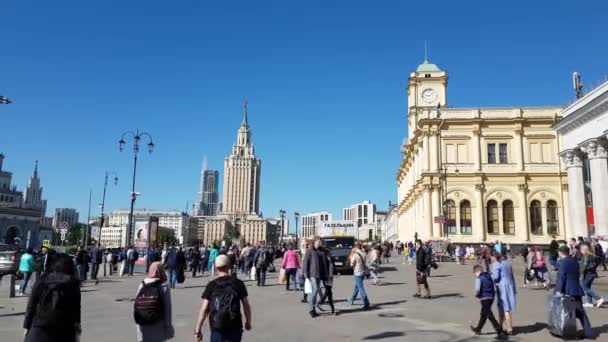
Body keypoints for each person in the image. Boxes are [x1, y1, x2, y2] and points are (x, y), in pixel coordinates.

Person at [23, 254, 81, 342]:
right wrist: (77, 327)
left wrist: (27, 327)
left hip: (40, 326)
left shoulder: (42, 280)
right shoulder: (73, 282)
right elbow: (76, 308)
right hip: (65, 328)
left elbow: (31, 306)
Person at [195, 255, 252, 342]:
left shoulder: (212, 285)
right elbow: (246, 305)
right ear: (229, 266)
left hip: (217, 325)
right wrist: (248, 322)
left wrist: (198, 329)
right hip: (234, 325)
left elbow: (204, 308)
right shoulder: (238, 283)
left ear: (216, 267)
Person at [555, 245, 594, 339]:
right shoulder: (575, 261)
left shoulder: (562, 262)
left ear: (560, 252)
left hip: (568, 291)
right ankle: (588, 332)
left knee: (568, 314)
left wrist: (559, 290)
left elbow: (561, 277)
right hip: (576, 289)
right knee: (581, 313)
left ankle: (570, 334)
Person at [134, 261, 174, 342]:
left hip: (143, 322)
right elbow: (167, 308)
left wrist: (138, 327)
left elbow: (136, 305)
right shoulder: (164, 286)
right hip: (157, 322)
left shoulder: (142, 284)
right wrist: (168, 326)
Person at [470, 264, 505, 337]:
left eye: (475, 273)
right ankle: (478, 329)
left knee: (489, 314)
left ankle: (499, 329)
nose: (475, 275)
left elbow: (477, 289)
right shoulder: (489, 276)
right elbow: (493, 287)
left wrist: (476, 295)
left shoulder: (479, 278)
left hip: (484, 298)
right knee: (483, 314)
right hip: (491, 297)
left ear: (478, 271)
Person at [491, 251, 516, 336]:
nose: (491, 259)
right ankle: (500, 326)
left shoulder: (496, 264)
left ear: (494, 257)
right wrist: (514, 288)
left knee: (504, 308)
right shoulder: (507, 263)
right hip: (509, 286)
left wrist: (490, 276)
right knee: (504, 307)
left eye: (491, 257)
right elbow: (512, 277)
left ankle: (509, 328)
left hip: (502, 287)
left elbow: (496, 277)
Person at [303, 239, 327, 317]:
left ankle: (314, 308)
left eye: (320, 243)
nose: (319, 244)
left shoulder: (320, 251)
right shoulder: (310, 250)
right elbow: (306, 262)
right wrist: (305, 273)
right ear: (314, 242)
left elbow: (323, 264)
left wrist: (325, 274)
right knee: (315, 289)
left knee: (315, 291)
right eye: (317, 242)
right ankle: (311, 308)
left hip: (319, 275)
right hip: (312, 274)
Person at [579, 243, 605, 308]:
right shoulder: (593, 256)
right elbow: (597, 263)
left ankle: (598, 299)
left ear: (584, 250)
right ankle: (590, 302)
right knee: (588, 287)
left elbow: (584, 266)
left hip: (587, 274)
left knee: (584, 287)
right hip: (593, 273)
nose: (580, 251)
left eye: (581, 249)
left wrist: (580, 273)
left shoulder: (586, 256)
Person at [350, 241, 370, 310]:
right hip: (363, 272)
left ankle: (366, 302)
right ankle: (352, 299)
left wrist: (351, 255)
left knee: (360, 288)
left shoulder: (355, 254)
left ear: (355, 246)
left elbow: (351, 264)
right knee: (357, 286)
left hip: (357, 272)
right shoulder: (364, 253)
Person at [318, 247, 335, 315]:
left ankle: (320, 303)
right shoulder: (324, 258)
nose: (330, 253)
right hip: (326, 276)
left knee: (329, 291)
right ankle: (332, 308)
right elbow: (322, 268)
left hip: (330, 277)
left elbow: (333, 267)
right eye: (329, 252)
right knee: (329, 291)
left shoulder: (330, 258)